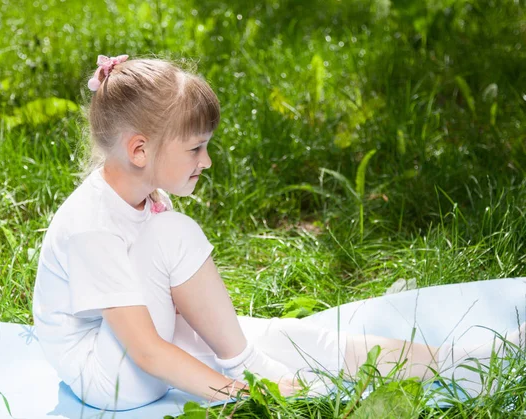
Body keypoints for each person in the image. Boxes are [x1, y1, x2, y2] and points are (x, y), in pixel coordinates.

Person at [32, 55, 525, 411]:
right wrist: (242, 392)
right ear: (139, 150)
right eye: (196, 148)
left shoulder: (138, 193)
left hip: (132, 349)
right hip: (108, 376)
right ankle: (247, 366)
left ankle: (459, 362)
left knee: (284, 339)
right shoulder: (92, 226)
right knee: (176, 241)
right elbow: (143, 349)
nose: (206, 161)